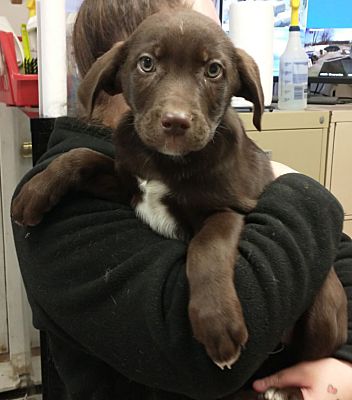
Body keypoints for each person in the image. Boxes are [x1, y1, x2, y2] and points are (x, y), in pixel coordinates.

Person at [11, 0, 352, 399]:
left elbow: (338, 258)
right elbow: (201, 360)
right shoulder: (69, 214)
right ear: (118, 69)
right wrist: (302, 189)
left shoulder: (216, 151)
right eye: (150, 64)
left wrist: (342, 362)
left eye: (212, 70)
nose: (179, 109)